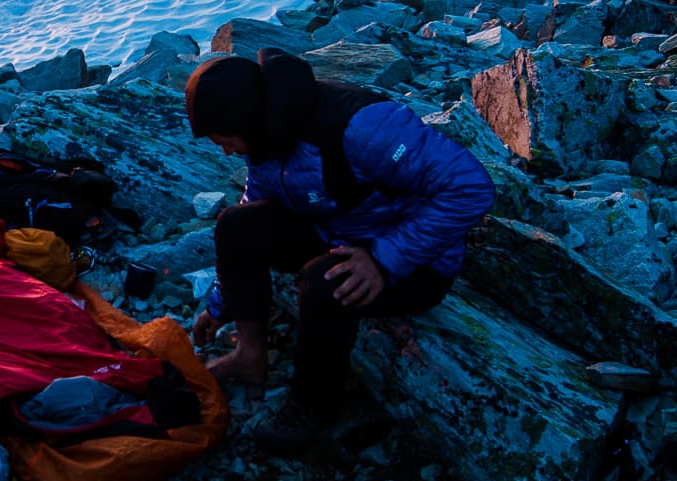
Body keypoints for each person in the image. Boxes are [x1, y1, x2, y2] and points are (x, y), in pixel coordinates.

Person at [187, 49, 495, 453]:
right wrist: (222, 301)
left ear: (245, 119)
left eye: (225, 141)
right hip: (338, 229)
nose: (226, 151)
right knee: (236, 225)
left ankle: (312, 405)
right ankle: (249, 353)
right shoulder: (267, 130)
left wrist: (385, 259)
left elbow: (470, 186)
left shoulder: (361, 126)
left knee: (326, 283)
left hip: (417, 260)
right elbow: (258, 198)